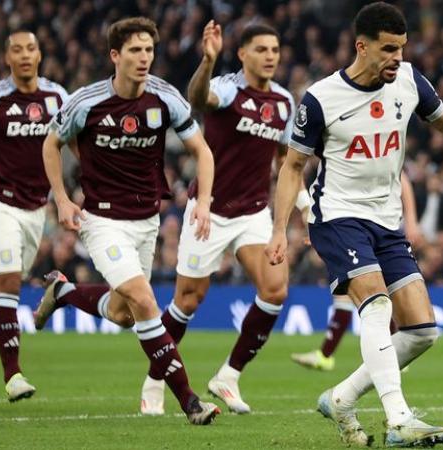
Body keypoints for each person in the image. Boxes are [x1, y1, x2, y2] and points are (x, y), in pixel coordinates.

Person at [265, 2, 443, 447]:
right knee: (376, 306)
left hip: (387, 218)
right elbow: (293, 166)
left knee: (422, 332)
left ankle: (340, 398)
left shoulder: (411, 81)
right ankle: (399, 419)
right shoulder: (321, 98)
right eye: (388, 49)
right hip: (338, 215)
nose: (397, 57)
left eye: (402, 48)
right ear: (362, 46)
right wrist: (280, 230)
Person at [35, 17, 218, 425]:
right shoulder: (86, 101)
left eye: (149, 50)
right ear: (115, 56)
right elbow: (51, 144)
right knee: (145, 300)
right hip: (102, 221)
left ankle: (62, 293)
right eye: (135, 50)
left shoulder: (164, 97)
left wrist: (203, 203)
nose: (144, 58)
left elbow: (203, 152)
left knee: (122, 314)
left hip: (147, 220)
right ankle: (191, 401)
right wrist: (62, 200)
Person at [138, 21, 298, 416]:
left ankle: (228, 375)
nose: (270, 57)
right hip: (209, 208)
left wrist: (303, 205)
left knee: (275, 289)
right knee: (188, 300)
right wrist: (207, 61)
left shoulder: (283, 102)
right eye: (261, 49)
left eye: (274, 50)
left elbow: (285, 160)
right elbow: (199, 97)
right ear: (242, 53)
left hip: (254, 212)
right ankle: (156, 377)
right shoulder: (228, 87)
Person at [0, 30, 68, 401]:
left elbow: (78, 141)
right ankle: (13, 375)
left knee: (2, 287)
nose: (23, 55)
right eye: (15, 49)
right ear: (7, 58)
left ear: (39, 55)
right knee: (8, 283)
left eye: (30, 48)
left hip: (36, 208)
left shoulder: (58, 98)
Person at [290, 172, 420, 371]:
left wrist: (411, 220)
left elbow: (403, 180)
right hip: (352, 226)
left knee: (377, 294)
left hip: (382, 226)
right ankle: (327, 355)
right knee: (354, 293)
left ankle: (389, 355)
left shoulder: (378, 147)